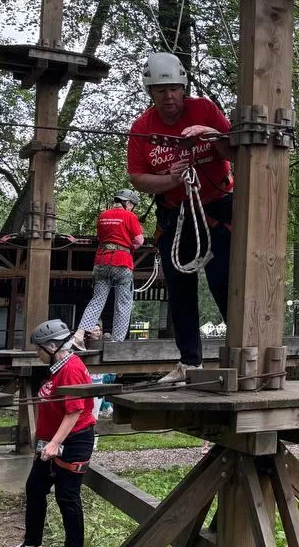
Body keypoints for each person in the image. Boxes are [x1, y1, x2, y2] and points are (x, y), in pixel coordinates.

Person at [126, 52, 235, 383]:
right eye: (161, 91)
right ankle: (190, 361)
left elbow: (235, 151)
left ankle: (245, 348)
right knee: (179, 285)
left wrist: (213, 136)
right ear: (150, 92)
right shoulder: (143, 128)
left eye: (173, 89)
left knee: (224, 281)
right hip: (176, 212)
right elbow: (137, 177)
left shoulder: (204, 110)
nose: (169, 96)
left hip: (217, 205)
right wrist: (172, 180)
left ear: (182, 86)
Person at [19, 319, 96, 547]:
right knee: (35, 488)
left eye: (38, 348)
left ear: (51, 347)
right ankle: (32, 542)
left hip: (73, 441)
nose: (37, 353)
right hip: (51, 440)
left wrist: (54, 444)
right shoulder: (57, 368)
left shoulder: (70, 369)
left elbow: (75, 411)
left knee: (67, 498)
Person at [73, 189, 145, 349]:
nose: (132, 208)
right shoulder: (129, 216)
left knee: (97, 300)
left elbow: (100, 238)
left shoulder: (103, 215)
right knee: (123, 303)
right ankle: (117, 342)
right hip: (121, 261)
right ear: (127, 203)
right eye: (132, 205)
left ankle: (78, 335)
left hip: (101, 261)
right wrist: (128, 246)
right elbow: (139, 240)